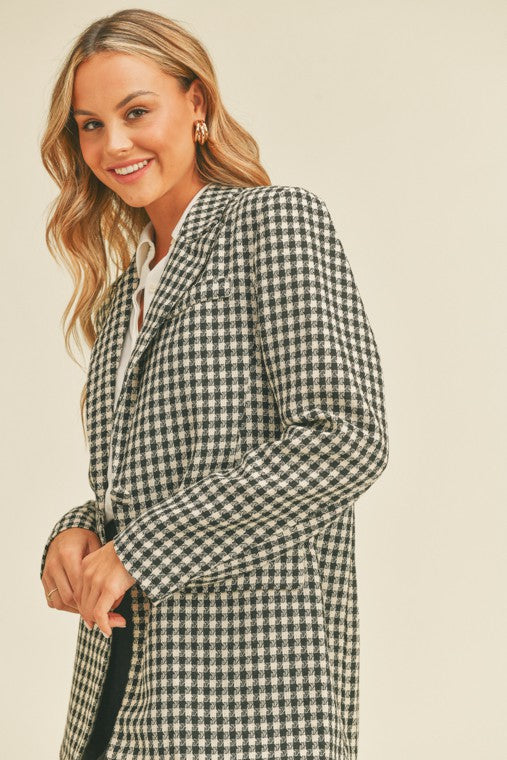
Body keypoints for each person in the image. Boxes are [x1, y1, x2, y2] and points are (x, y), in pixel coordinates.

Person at [39, 8, 389, 760]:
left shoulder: (272, 223)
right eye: (90, 125)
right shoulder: (121, 295)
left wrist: (143, 549)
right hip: (121, 692)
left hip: (248, 695)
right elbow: (146, 484)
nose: (113, 144)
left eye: (136, 112)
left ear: (195, 104)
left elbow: (345, 439)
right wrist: (79, 530)